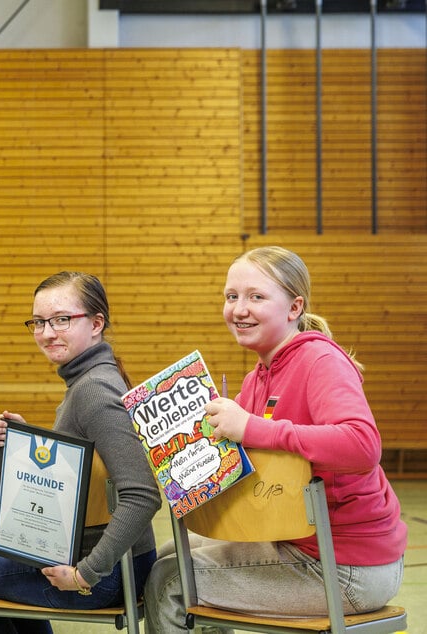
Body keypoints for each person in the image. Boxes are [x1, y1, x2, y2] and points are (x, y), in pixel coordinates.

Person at [143, 245, 408, 633]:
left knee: (171, 580)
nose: (239, 309)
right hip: (297, 543)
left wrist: (250, 428)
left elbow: (363, 445)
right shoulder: (257, 378)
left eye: (256, 297)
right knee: (172, 554)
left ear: (294, 307)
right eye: (231, 297)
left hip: (348, 567)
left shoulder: (321, 361)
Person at [0, 271, 162, 634]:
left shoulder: (94, 390)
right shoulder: (89, 380)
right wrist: (27, 438)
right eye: (38, 322)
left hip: (108, 568)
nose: (47, 332)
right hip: (102, 558)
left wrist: (85, 574)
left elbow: (142, 495)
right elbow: (89, 466)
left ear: (96, 323)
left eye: (62, 319)